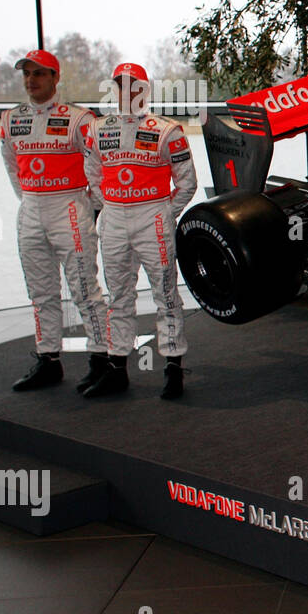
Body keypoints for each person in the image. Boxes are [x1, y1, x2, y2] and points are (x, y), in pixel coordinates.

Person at [81, 63, 197, 398]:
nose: (127, 92)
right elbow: (93, 175)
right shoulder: (98, 129)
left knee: (165, 293)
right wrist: (114, 205)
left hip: (154, 217)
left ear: (145, 91)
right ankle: (118, 368)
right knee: (118, 296)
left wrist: (162, 213)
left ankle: (173, 366)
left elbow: (187, 182)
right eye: (121, 86)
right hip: (114, 217)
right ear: (113, 90)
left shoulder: (167, 130)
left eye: (135, 86)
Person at [0, 49, 111, 392]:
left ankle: (102, 360)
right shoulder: (10, 119)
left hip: (71, 209)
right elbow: (10, 166)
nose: (31, 80)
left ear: (55, 77)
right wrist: (33, 198)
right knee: (40, 292)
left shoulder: (81, 119)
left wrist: (88, 206)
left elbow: (100, 168)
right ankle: (48, 360)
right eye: (26, 74)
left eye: (39, 74)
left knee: (83, 289)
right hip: (31, 209)